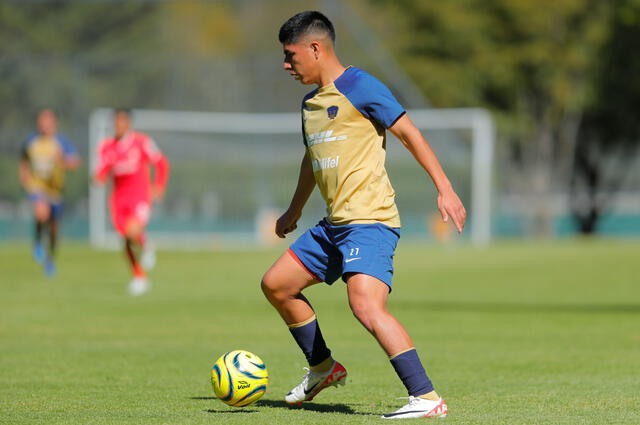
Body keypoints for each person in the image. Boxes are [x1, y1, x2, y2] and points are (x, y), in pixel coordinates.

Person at [261, 11, 467, 419]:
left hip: (370, 221)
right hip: (333, 225)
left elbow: (409, 132)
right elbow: (312, 159)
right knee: (277, 285)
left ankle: (426, 398)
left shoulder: (361, 86)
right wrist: (294, 209)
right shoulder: (310, 104)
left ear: (315, 48)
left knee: (367, 306)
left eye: (291, 55)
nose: (286, 64)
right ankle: (322, 367)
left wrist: (444, 188)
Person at [94, 109, 169, 296]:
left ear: (128, 123)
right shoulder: (106, 147)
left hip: (139, 197)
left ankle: (145, 245)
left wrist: (158, 185)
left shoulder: (142, 142)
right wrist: (98, 177)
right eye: (116, 122)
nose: (118, 125)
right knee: (126, 239)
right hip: (118, 200)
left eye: (122, 121)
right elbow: (101, 170)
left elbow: (161, 163)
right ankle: (139, 276)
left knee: (132, 231)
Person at [19, 109, 80, 276]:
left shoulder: (61, 142)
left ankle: (50, 260)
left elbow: (75, 163)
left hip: (56, 192)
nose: (44, 125)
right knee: (41, 213)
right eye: (41, 121)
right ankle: (38, 241)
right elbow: (23, 159)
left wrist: (63, 160)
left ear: (54, 124)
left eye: (47, 122)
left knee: (54, 229)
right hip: (37, 187)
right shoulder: (32, 141)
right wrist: (24, 177)